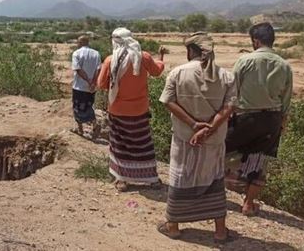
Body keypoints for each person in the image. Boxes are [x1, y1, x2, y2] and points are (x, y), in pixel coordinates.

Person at [157, 32, 236, 243]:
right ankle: (220, 231)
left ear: (190, 51)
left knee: (181, 177)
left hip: (184, 138)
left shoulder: (177, 73)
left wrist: (194, 125)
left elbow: (167, 101)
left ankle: (173, 226)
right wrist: (209, 128)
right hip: (215, 140)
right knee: (214, 179)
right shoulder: (226, 76)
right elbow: (230, 107)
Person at [225, 22, 292, 216]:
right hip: (272, 118)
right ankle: (248, 203)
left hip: (246, 117)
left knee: (222, 151)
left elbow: (232, 91)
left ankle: (214, 193)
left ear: (255, 41)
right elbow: (286, 100)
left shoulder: (244, 61)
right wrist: (282, 124)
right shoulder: (284, 65)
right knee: (260, 159)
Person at [96, 27, 165, 192]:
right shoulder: (143, 57)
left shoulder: (110, 61)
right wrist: (161, 58)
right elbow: (157, 71)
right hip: (139, 111)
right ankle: (151, 179)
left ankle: (122, 180)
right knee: (143, 144)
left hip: (117, 111)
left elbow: (101, 84)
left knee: (120, 145)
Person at [71, 35, 102, 137]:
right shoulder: (96, 53)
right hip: (91, 88)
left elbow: (78, 69)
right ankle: (94, 125)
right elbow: (98, 69)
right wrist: (93, 82)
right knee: (89, 106)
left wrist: (88, 80)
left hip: (79, 87)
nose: (77, 44)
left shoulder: (76, 53)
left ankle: (80, 130)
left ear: (80, 43)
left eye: (78, 42)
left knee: (77, 107)